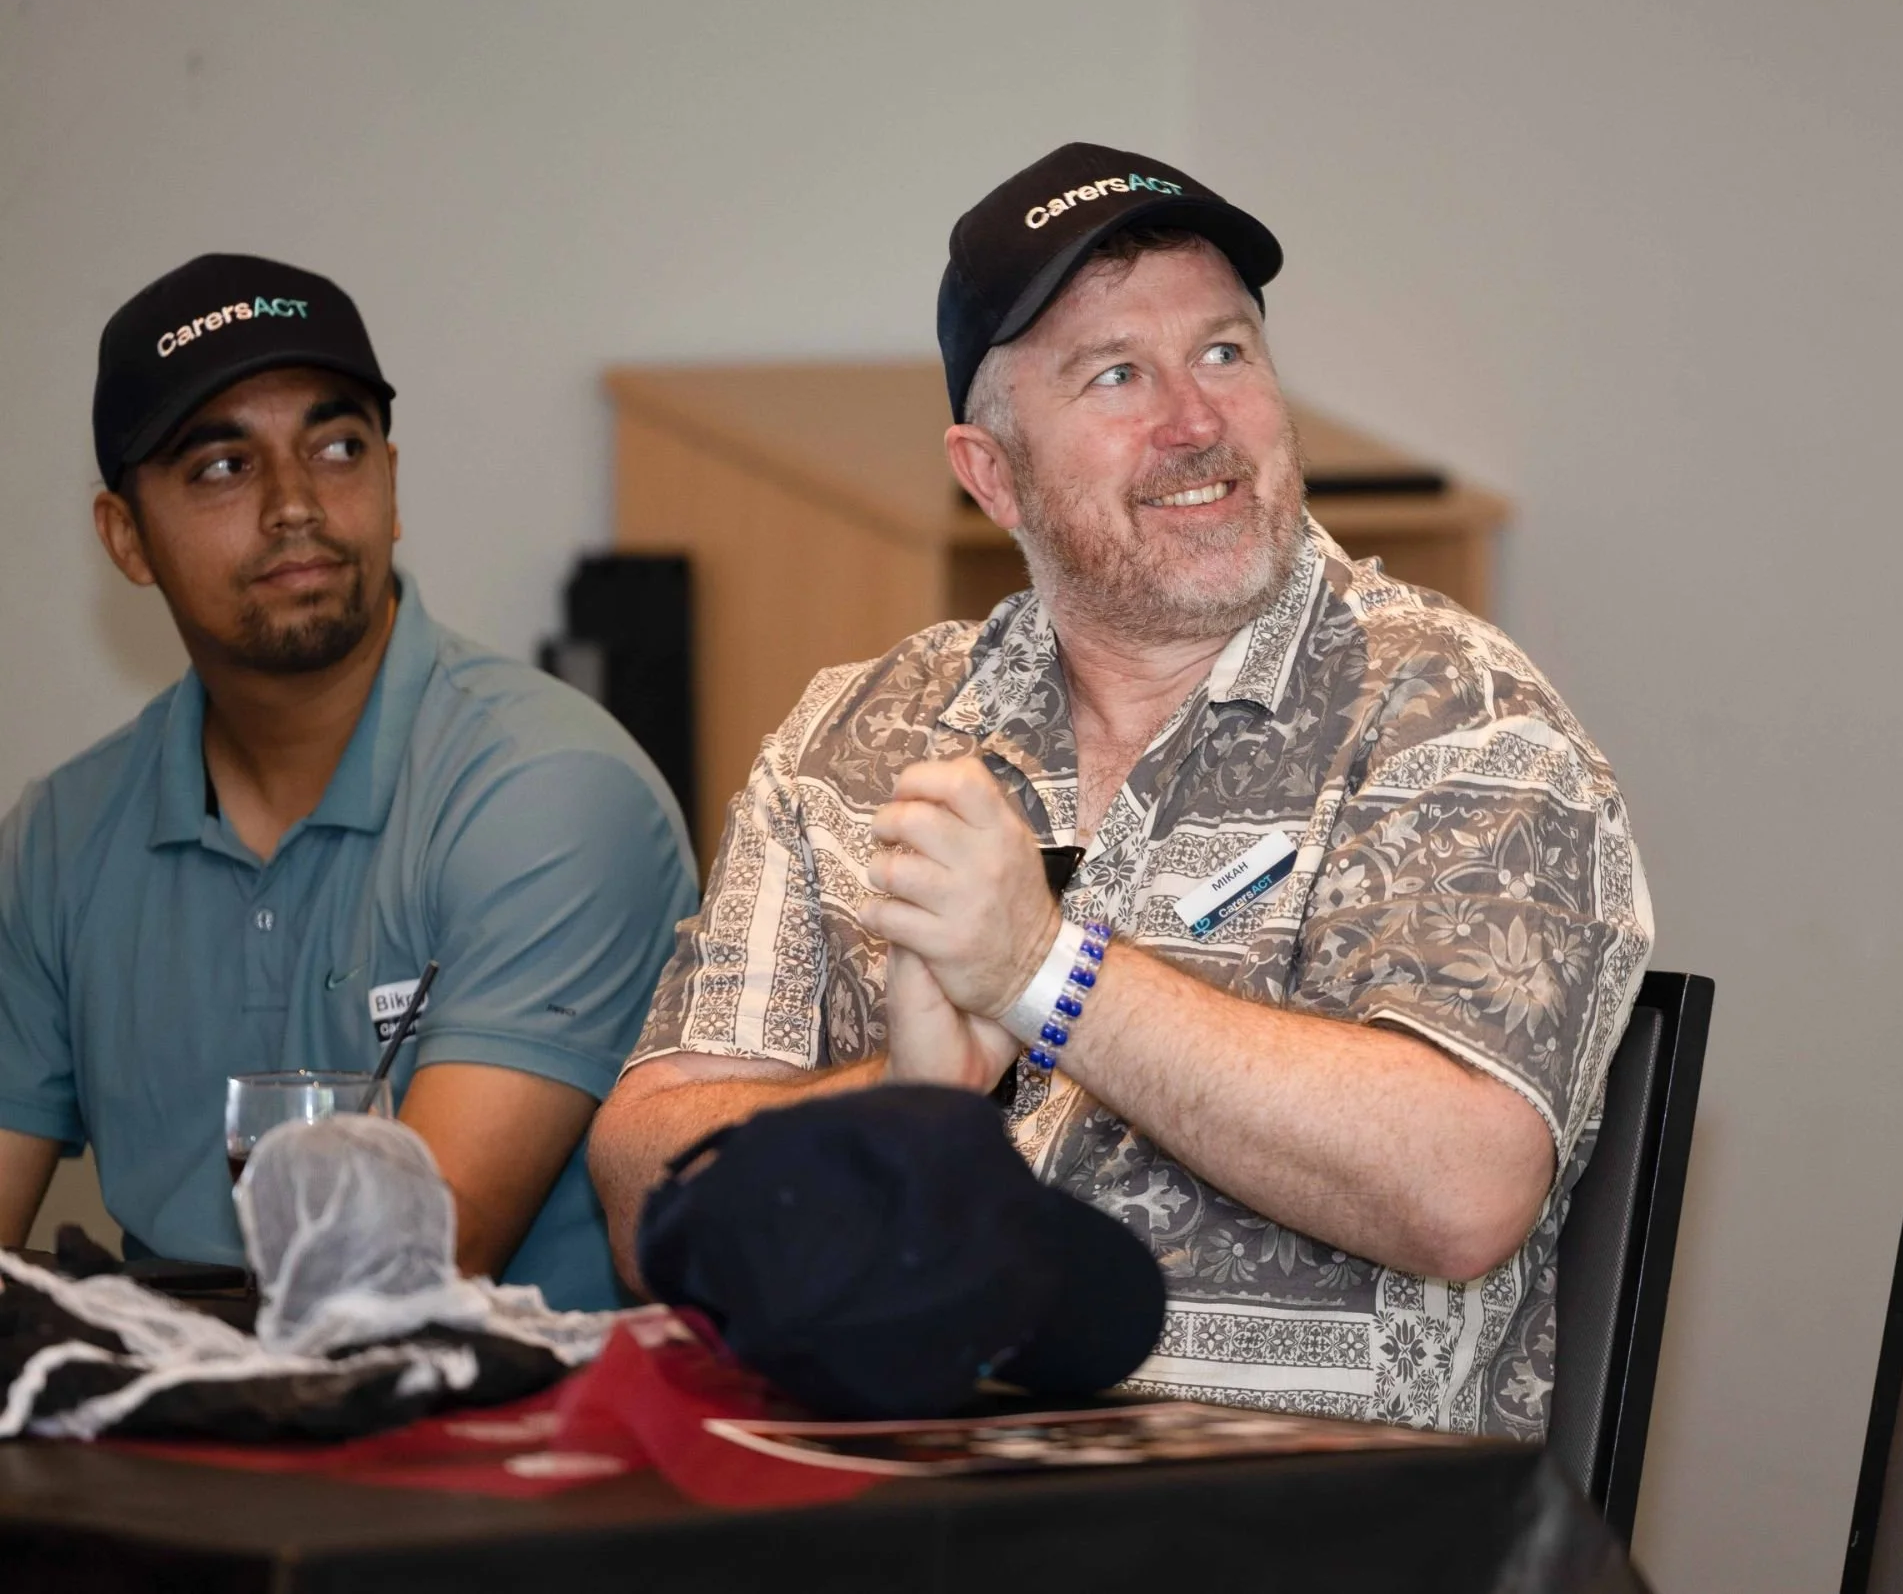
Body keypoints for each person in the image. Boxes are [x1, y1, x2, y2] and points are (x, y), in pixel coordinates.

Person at [588, 144, 1651, 1434]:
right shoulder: (858, 736)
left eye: (1224, 352)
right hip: (905, 1506)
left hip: (1321, 1534)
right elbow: (645, 1188)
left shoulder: (1453, 712)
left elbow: (1464, 1184)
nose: (1196, 421)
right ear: (991, 474)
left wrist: (1044, 976)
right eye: (1115, 375)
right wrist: (905, 1102)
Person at [0, 254, 697, 1311]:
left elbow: (402, 1272)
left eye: (335, 447)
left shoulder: (552, 793)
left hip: (505, 1447)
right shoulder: (61, 838)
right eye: (221, 466)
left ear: (390, 482)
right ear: (125, 537)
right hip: (163, 1443)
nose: (293, 505)